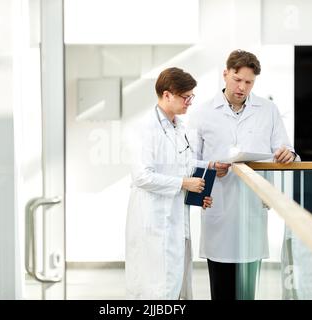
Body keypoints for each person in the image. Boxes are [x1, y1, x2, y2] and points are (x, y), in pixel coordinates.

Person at [189, 50, 298, 300]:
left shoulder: (267, 109)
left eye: (248, 82)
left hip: (251, 210)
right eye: (237, 79)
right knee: (222, 289)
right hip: (219, 210)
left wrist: (288, 154)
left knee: (248, 292)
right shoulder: (203, 113)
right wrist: (212, 165)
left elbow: (286, 148)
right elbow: (189, 161)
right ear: (225, 74)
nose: (242, 87)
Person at [125, 67, 214, 299]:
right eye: (186, 97)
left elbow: (181, 163)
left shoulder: (178, 127)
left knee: (176, 286)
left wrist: (209, 168)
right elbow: (142, 176)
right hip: (156, 220)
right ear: (167, 95)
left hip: (176, 218)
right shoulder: (145, 128)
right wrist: (185, 183)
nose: (190, 102)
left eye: (191, 97)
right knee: (158, 289)